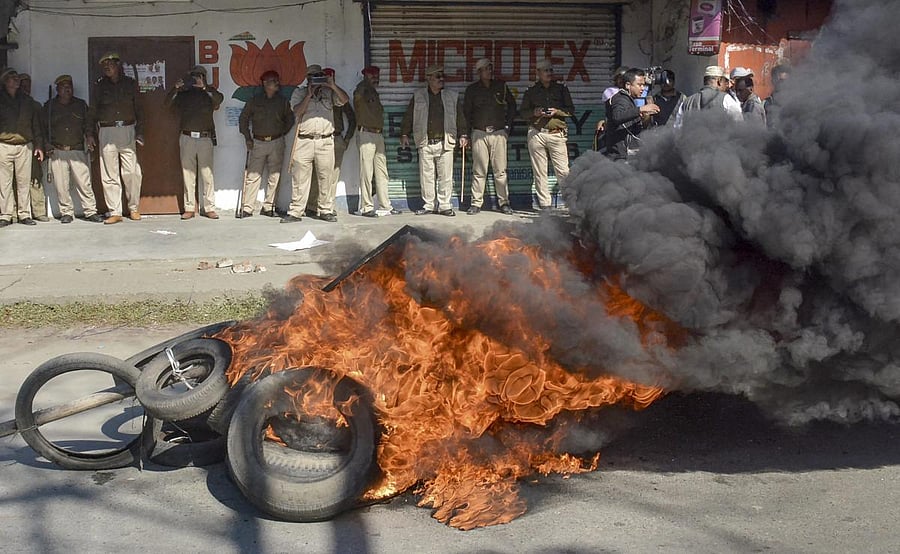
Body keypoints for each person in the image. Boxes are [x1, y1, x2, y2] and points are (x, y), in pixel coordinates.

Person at [399, 64, 468, 217]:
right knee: (426, 176)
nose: (441, 79)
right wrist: (404, 134)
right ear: (428, 78)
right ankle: (429, 205)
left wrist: (463, 135)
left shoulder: (452, 96)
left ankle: (444, 205)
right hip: (425, 142)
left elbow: (460, 118)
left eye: (442, 76)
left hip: (445, 142)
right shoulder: (418, 96)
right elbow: (409, 116)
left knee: (446, 176)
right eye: (437, 76)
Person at [285, 63, 350, 223]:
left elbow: (345, 100)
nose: (316, 79)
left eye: (318, 75)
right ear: (307, 78)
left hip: (325, 140)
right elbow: (297, 111)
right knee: (300, 178)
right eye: (313, 76)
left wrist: (332, 85)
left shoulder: (329, 92)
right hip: (304, 140)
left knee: (325, 177)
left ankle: (326, 210)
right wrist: (309, 95)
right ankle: (296, 211)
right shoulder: (299, 93)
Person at [86, 51, 143, 225]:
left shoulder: (130, 84)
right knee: (109, 174)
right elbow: (92, 111)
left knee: (131, 172)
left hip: (127, 128)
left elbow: (140, 109)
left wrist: (140, 131)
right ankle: (115, 211)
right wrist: (89, 134)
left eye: (110, 65)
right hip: (107, 130)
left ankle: (134, 208)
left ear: (118, 65)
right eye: (104, 66)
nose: (107, 68)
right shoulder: (99, 86)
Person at [165, 65, 224, 219]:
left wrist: (205, 88)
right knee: (188, 174)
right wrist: (176, 89)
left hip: (205, 138)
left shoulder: (209, 93)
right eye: (194, 76)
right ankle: (189, 207)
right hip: (187, 137)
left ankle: (209, 207)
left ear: (205, 78)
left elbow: (219, 99)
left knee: (207, 175)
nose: (196, 79)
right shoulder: (185, 94)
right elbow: (167, 105)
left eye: (199, 76)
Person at [43, 74, 103, 224]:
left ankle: (90, 211)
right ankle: (66, 212)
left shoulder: (81, 105)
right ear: (57, 89)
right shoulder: (49, 106)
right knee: (61, 185)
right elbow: (42, 128)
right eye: (63, 87)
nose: (67, 89)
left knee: (84, 183)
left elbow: (88, 124)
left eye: (69, 86)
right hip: (58, 150)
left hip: (77, 149)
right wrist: (46, 144)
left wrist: (89, 136)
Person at [518, 58, 574, 210]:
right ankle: (545, 206)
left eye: (550, 70)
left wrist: (557, 111)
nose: (549, 73)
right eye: (545, 70)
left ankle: (570, 205)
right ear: (538, 73)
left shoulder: (561, 89)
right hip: (537, 133)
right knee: (540, 171)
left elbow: (571, 110)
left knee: (563, 171)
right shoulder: (531, 91)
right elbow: (523, 113)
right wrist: (535, 112)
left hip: (557, 134)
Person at [463, 58, 516, 215]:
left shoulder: (501, 86)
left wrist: (507, 127)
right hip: (479, 132)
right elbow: (466, 113)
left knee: (500, 171)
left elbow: (512, 106)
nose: (489, 71)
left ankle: (504, 202)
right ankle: (476, 203)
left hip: (499, 133)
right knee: (479, 170)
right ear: (479, 72)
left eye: (490, 68)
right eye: (486, 69)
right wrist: (466, 134)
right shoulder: (472, 90)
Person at [237, 70, 293, 218]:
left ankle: (269, 207)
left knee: (275, 175)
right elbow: (243, 119)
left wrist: (281, 133)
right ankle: (248, 207)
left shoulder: (282, 101)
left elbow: (290, 119)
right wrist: (247, 138)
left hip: (277, 141)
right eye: (273, 81)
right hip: (258, 142)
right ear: (265, 83)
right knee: (253, 175)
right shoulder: (254, 100)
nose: (277, 83)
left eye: (277, 80)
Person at [308, 67, 355, 218]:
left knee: (332, 176)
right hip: (319, 138)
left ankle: (329, 206)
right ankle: (312, 206)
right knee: (316, 175)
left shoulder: (336, 94)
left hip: (336, 137)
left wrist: (347, 139)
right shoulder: (315, 95)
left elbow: (352, 117)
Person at [0, 68, 44, 227]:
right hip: (4, 145)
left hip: (24, 145)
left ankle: (24, 214)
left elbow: (35, 125)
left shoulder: (27, 101)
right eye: (12, 78)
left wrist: (38, 145)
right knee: (4, 183)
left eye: (17, 78)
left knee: (24, 182)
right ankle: (5, 215)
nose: (16, 80)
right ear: (5, 81)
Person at [353, 65, 398, 217]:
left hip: (377, 134)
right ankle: (366, 207)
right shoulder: (362, 89)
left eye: (376, 75)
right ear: (365, 76)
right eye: (372, 75)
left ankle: (386, 205)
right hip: (366, 133)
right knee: (366, 172)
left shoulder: (373, 92)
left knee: (381, 171)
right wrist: (364, 84)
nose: (375, 78)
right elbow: (357, 98)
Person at [604, 68, 659, 161]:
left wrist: (644, 116)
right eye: (639, 85)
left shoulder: (628, 99)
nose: (642, 88)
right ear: (628, 85)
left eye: (644, 85)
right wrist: (641, 109)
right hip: (620, 157)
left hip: (628, 155)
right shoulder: (620, 99)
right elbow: (617, 117)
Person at [17, 73, 49, 222]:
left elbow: (40, 129)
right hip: (16, 146)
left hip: (33, 145)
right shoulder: (12, 105)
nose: (25, 88)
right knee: (14, 181)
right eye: (22, 84)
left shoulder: (35, 105)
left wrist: (40, 146)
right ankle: (13, 212)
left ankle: (39, 211)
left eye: (28, 85)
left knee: (35, 178)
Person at [764, 63, 791, 128]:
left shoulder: (795, 104)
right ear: (772, 81)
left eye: (783, 81)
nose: (780, 84)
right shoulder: (766, 103)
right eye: (777, 80)